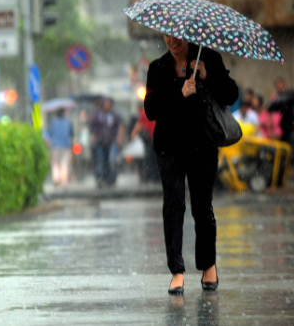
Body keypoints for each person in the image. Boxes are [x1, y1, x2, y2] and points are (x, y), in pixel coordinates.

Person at [144, 34, 238, 295]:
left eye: (178, 37)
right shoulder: (158, 67)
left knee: (202, 208)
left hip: (202, 146)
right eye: (166, 35)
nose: (172, 41)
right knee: (173, 207)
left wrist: (208, 76)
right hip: (169, 147)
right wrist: (179, 92)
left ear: (189, 36)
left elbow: (231, 95)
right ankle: (176, 271)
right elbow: (151, 108)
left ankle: (208, 266)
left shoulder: (207, 59)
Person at [87, 97, 124, 187]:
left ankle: (111, 178)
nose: (108, 106)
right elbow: (91, 126)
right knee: (100, 160)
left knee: (111, 160)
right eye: (106, 104)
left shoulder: (114, 114)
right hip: (99, 141)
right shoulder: (96, 115)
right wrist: (93, 136)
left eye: (109, 104)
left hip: (111, 141)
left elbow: (120, 125)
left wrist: (119, 137)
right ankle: (100, 178)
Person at [44, 108, 74, 187]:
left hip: (54, 146)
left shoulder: (52, 123)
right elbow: (71, 134)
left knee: (55, 164)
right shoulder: (68, 122)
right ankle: (64, 181)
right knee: (64, 164)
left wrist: (48, 142)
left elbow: (47, 134)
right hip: (65, 146)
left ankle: (56, 179)